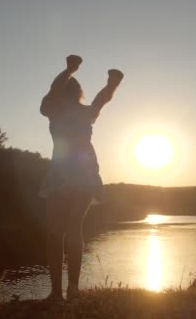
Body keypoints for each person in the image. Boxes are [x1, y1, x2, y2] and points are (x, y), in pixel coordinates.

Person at [39, 55, 124, 300]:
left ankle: (57, 292)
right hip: (86, 175)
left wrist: (68, 70)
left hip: (61, 175)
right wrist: (113, 83)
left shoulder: (53, 109)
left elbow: (53, 92)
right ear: (78, 93)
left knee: (55, 233)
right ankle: (73, 290)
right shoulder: (86, 112)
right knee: (74, 230)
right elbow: (102, 99)